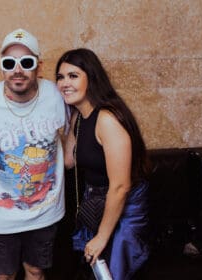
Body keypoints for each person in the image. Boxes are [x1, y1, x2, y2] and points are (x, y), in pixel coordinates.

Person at [0, 28, 66, 280]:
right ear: (1, 67)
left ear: (39, 66)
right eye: (9, 63)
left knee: (35, 271)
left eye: (26, 62)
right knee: (4, 275)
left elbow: (74, 133)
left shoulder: (57, 95)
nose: (17, 69)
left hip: (45, 212)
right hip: (0, 214)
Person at [55, 48, 149, 279]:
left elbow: (120, 186)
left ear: (92, 77)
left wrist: (101, 237)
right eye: (60, 77)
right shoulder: (80, 116)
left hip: (124, 208)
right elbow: (69, 161)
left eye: (73, 76)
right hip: (96, 204)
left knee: (113, 273)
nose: (64, 83)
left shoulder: (107, 118)